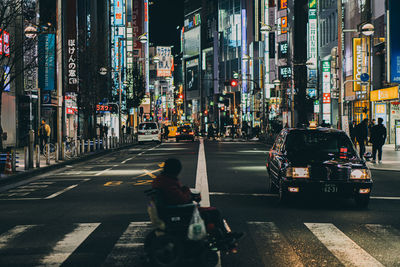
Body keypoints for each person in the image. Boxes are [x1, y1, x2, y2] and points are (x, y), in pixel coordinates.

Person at [152, 158, 242, 247]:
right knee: (214, 212)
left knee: (211, 211)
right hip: (179, 211)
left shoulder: (162, 179)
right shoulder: (168, 182)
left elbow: (176, 195)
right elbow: (182, 199)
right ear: (174, 170)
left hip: (172, 208)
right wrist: (187, 191)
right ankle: (223, 237)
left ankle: (223, 235)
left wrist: (184, 191)